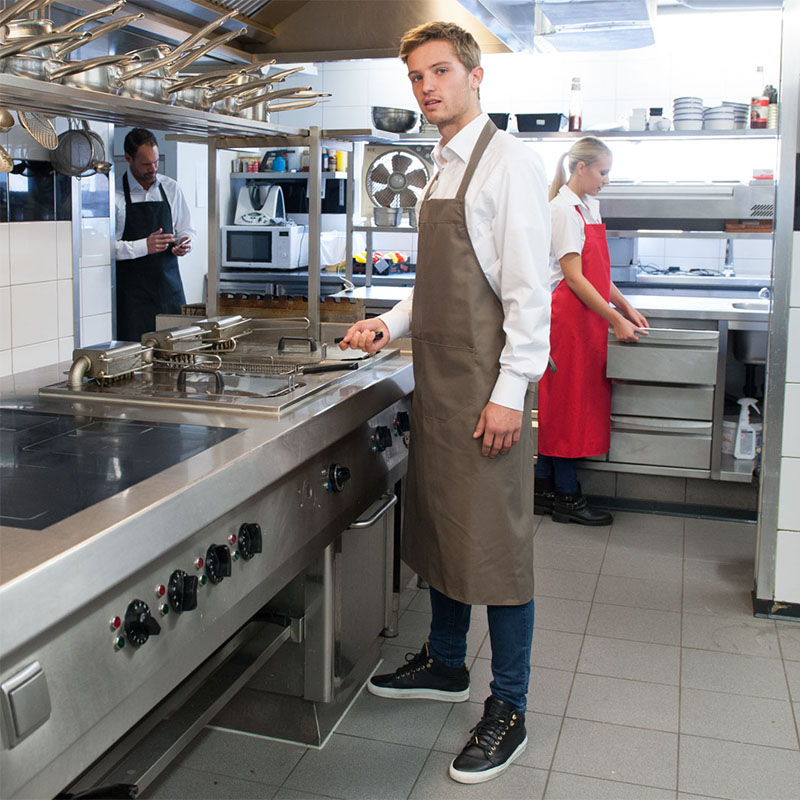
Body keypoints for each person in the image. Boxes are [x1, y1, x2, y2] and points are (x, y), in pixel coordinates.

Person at [338, 21, 550, 785]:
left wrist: (510, 395)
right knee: (443, 534)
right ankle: (447, 664)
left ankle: (511, 707)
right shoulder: (440, 167)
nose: (427, 88)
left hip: (487, 396)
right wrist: (387, 323)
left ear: (474, 76)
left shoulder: (507, 167)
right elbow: (434, 286)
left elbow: (531, 298)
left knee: (497, 551)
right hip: (439, 389)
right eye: (416, 77)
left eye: (439, 73)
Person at [535, 137, 649, 525]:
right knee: (566, 406)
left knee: (575, 402)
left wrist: (626, 307)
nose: (606, 180)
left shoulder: (590, 206)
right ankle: (567, 496)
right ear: (580, 168)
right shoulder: (563, 211)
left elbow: (598, 276)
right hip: (566, 320)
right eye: (603, 172)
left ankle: (544, 488)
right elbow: (574, 278)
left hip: (587, 318)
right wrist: (615, 319)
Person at [114, 128, 195, 341]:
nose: (153, 169)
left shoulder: (171, 188)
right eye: (146, 164)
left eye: (156, 162)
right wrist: (143, 246)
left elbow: (186, 229)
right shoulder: (114, 195)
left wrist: (185, 243)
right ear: (128, 158)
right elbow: (104, 249)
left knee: (176, 354)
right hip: (133, 299)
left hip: (170, 293)